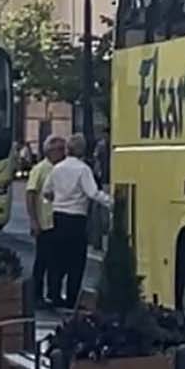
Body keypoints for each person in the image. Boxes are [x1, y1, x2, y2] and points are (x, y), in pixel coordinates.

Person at [42, 133, 111, 310]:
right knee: (76, 261)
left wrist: (57, 198)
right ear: (83, 150)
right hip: (76, 218)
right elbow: (92, 193)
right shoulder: (83, 170)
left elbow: (46, 192)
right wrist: (112, 202)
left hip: (58, 216)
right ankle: (72, 297)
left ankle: (54, 294)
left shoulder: (57, 169)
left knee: (57, 259)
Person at [26, 136, 64, 308]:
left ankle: (54, 293)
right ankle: (36, 295)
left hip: (59, 220)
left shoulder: (62, 169)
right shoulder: (40, 169)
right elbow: (31, 194)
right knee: (42, 261)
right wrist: (34, 220)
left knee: (57, 261)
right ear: (49, 151)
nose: (63, 153)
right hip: (45, 221)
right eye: (59, 150)